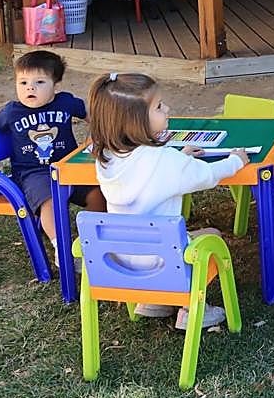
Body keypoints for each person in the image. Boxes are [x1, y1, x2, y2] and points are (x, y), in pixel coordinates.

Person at [88, 72, 250, 330]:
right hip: (164, 262)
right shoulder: (164, 162)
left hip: (121, 259)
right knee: (212, 235)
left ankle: (153, 303)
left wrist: (179, 156)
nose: (167, 109)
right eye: (159, 106)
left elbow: (151, 168)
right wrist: (235, 161)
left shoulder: (106, 157)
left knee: (166, 239)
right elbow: (206, 175)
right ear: (135, 121)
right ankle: (189, 310)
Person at [0, 50, 106, 269]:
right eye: (23, 82)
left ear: (55, 86)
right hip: (33, 174)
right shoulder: (12, 111)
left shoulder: (65, 102)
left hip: (66, 167)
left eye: (39, 81)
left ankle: (96, 238)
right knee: (48, 201)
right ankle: (62, 249)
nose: (30, 88)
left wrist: (100, 129)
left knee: (97, 193)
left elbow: (89, 112)